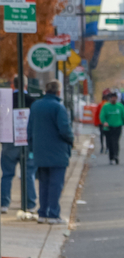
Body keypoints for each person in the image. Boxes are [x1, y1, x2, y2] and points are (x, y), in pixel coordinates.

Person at [27, 80, 75, 225]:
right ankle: (54, 214)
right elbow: (64, 130)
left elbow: (29, 130)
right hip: (57, 151)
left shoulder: (35, 106)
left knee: (43, 183)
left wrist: (32, 148)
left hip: (40, 151)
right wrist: (71, 141)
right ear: (58, 92)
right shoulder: (58, 108)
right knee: (56, 184)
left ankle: (42, 213)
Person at [1, 76, 37, 214]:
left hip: (8, 141)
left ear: (12, 85)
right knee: (28, 174)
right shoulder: (33, 102)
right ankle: (30, 204)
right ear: (27, 86)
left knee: (7, 174)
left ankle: (4, 204)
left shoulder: (6, 102)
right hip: (27, 141)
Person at [99, 92, 124, 165]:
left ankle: (116, 155)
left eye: (114, 97)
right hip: (108, 128)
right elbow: (102, 116)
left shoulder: (120, 106)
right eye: (112, 97)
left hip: (117, 127)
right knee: (109, 142)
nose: (113, 99)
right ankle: (111, 157)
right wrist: (104, 122)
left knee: (115, 142)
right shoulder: (106, 106)